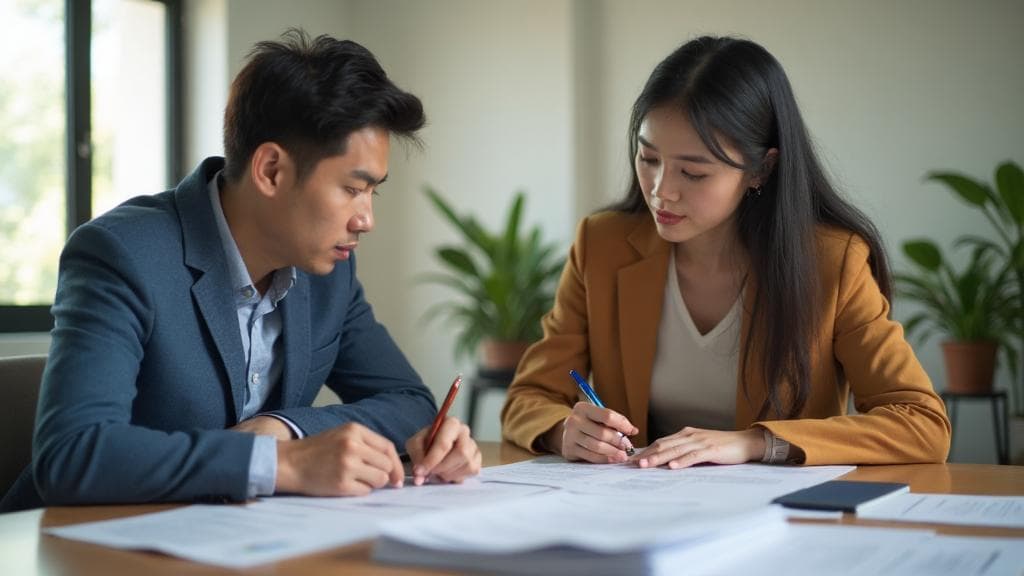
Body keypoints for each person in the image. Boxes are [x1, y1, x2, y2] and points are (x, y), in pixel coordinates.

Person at [0, 30, 480, 512]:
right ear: (271, 170)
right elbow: (73, 455)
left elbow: (410, 402)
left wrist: (287, 430)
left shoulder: (328, 271)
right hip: (76, 546)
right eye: (353, 188)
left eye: (373, 192)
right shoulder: (122, 253)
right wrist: (281, 463)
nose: (366, 220)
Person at [501, 36, 950, 468]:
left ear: (761, 169)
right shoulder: (603, 246)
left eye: (693, 173)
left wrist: (756, 443)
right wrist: (565, 431)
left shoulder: (832, 261)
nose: (661, 191)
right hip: (637, 508)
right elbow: (528, 399)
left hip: (778, 520)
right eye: (649, 158)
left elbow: (922, 423)